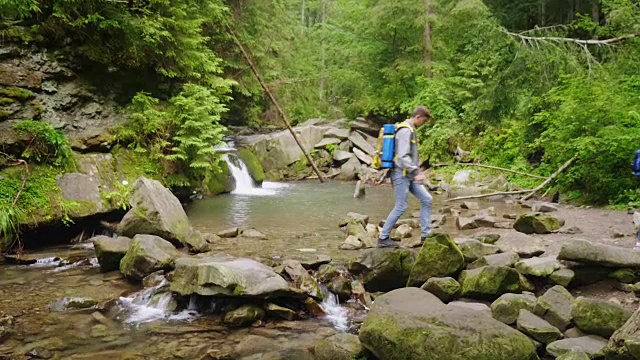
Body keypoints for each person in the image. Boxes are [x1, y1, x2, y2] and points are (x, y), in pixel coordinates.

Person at [378, 106, 433, 248]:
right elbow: (402, 156)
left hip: (408, 174)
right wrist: (416, 172)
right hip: (400, 174)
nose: (424, 124)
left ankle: (426, 235)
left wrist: (414, 173)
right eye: (424, 121)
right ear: (418, 117)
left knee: (427, 199)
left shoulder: (411, 129)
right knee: (401, 206)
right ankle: (383, 238)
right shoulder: (405, 131)